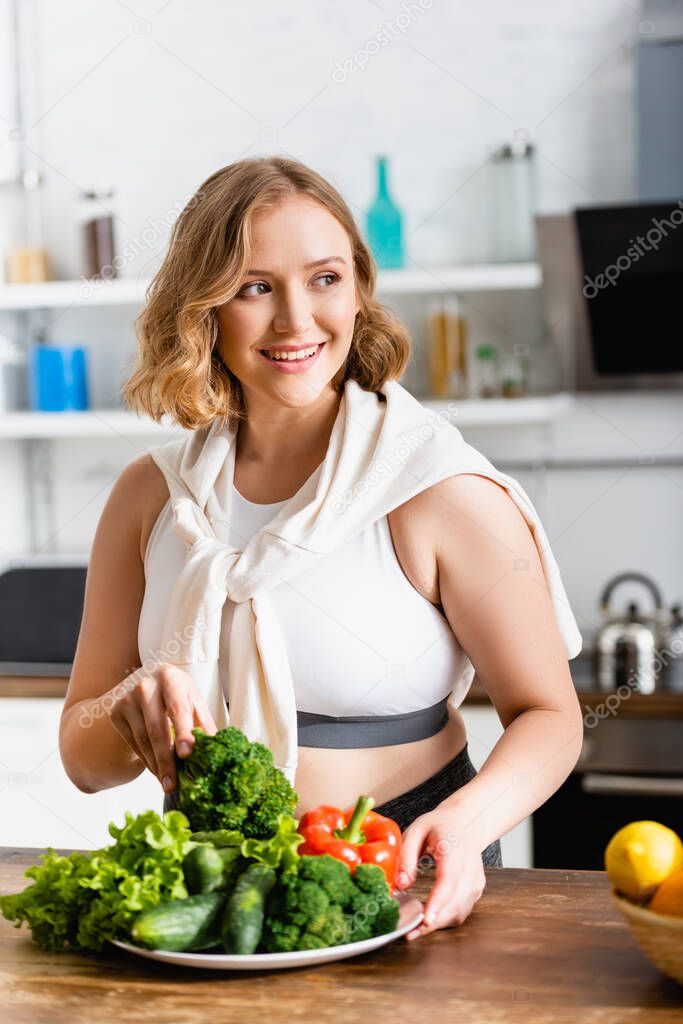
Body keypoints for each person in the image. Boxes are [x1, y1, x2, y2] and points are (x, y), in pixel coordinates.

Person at [59, 156, 584, 942]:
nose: (296, 321)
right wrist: (129, 708)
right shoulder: (150, 497)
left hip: (408, 864)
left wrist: (467, 823)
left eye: (325, 278)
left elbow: (549, 715)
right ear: (201, 308)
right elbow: (85, 757)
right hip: (208, 881)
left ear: (359, 292)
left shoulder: (436, 489)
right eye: (254, 286)